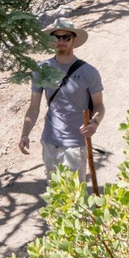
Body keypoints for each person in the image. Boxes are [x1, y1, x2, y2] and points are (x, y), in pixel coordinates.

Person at [19, 18, 105, 184]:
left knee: (74, 196)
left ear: (73, 40)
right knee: (55, 193)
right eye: (56, 38)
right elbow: (34, 108)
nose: (61, 41)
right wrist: (25, 134)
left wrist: (94, 122)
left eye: (66, 37)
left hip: (75, 142)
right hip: (50, 141)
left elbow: (99, 105)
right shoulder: (41, 69)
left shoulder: (89, 72)